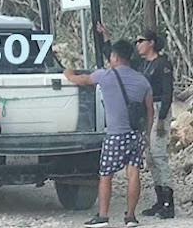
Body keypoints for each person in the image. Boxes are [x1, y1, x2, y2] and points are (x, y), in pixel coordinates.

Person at [64, 40, 154, 228]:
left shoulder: (105, 76)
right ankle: (130, 217)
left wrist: (68, 72)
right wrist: (146, 134)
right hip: (135, 134)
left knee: (106, 174)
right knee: (133, 173)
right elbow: (149, 110)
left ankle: (103, 216)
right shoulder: (142, 79)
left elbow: (82, 80)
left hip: (115, 134)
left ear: (115, 57)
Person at [99, 24, 175, 219]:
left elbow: (167, 93)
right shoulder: (141, 65)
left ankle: (168, 201)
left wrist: (161, 119)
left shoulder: (162, 64)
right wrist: (107, 39)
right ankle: (160, 200)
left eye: (140, 41)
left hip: (158, 109)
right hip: (145, 111)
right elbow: (117, 60)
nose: (137, 45)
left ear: (151, 43)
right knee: (149, 157)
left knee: (158, 155)